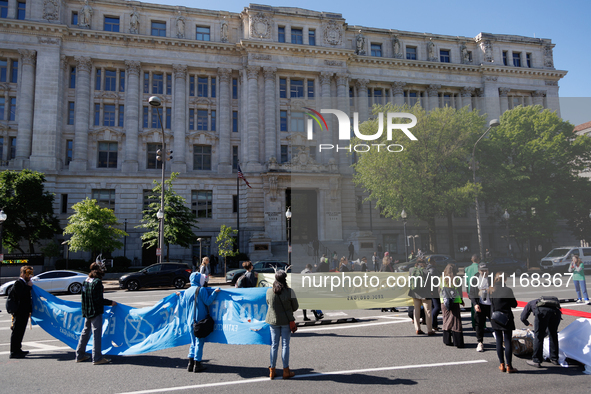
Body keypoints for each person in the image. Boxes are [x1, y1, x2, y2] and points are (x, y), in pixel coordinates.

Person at [176, 272, 220, 372]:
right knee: (199, 342)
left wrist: (179, 295)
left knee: (193, 342)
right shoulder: (201, 289)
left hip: (190, 321)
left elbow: (183, 304)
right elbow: (208, 302)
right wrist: (215, 293)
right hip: (200, 321)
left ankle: (190, 364)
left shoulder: (186, 291)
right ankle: (197, 364)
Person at [75, 260, 117, 365]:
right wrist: (110, 302)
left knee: (85, 332)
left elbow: (83, 297)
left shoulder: (87, 280)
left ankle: (79, 355)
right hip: (95, 311)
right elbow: (98, 299)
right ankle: (97, 358)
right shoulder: (97, 282)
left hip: (87, 310)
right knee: (96, 334)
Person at [266, 270, 299, 380]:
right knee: (285, 345)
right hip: (286, 320)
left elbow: (268, 304)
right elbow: (295, 307)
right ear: (285, 279)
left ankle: (272, 371)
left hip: (273, 321)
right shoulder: (290, 291)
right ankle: (286, 370)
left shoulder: (269, 292)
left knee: (274, 345)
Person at [521, 296, 562, 368]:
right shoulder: (550, 302)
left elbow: (523, 317)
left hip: (542, 312)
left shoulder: (530, 303)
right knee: (553, 335)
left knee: (538, 336)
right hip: (556, 312)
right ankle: (554, 358)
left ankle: (536, 360)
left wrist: (527, 323)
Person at [490, 272, 518, 373]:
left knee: (498, 340)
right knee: (507, 341)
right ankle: (509, 366)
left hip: (495, 317)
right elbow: (514, 304)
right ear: (505, 279)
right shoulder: (507, 290)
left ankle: (501, 364)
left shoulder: (491, 290)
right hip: (506, 318)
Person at [9, 265, 34, 359]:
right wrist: (29, 287)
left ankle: (18, 349)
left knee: (20, 331)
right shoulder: (18, 283)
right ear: (23, 274)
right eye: (28, 274)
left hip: (23, 311)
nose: (30, 276)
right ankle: (13, 352)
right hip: (19, 311)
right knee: (16, 331)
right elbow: (21, 296)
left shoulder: (24, 283)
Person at [470, 262, 493, 352]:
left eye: (486, 270)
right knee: (479, 324)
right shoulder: (475, 279)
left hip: (491, 305)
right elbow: (472, 293)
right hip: (480, 305)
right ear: (479, 271)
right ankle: (480, 342)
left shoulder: (492, 278)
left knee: (496, 324)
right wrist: (475, 304)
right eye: (482, 271)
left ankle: (501, 341)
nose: (484, 272)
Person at [440, 263, 464, 348]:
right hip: (455, 301)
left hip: (444, 301)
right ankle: (458, 341)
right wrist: (461, 301)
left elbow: (439, 289)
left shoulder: (441, 278)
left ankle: (446, 340)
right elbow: (459, 291)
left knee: (446, 318)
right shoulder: (457, 279)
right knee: (456, 320)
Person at [408, 258, 434, 335]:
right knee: (428, 311)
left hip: (415, 293)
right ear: (424, 263)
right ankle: (429, 330)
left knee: (416, 310)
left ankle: (417, 329)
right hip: (425, 293)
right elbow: (430, 283)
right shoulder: (426, 271)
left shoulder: (411, 270)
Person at [464, 254, 481, 331]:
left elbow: (467, 281)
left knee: (473, 307)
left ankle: (474, 324)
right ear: (478, 260)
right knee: (480, 307)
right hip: (478, 289)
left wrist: (467, 291)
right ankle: (481, 325)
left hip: (471, 289)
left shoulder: (467, 269)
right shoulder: (479, 268)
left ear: (472, 260)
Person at [426, 257, 442, 331]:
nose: (435, 262)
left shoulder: (427, 269)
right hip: (433, 291)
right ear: (432, 262)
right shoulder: (432, 270)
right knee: (437, 307)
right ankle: (432, 322)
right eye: (434, 261)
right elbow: (433, 281)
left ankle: (434, 325)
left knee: (432, 307)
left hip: (429, 290)